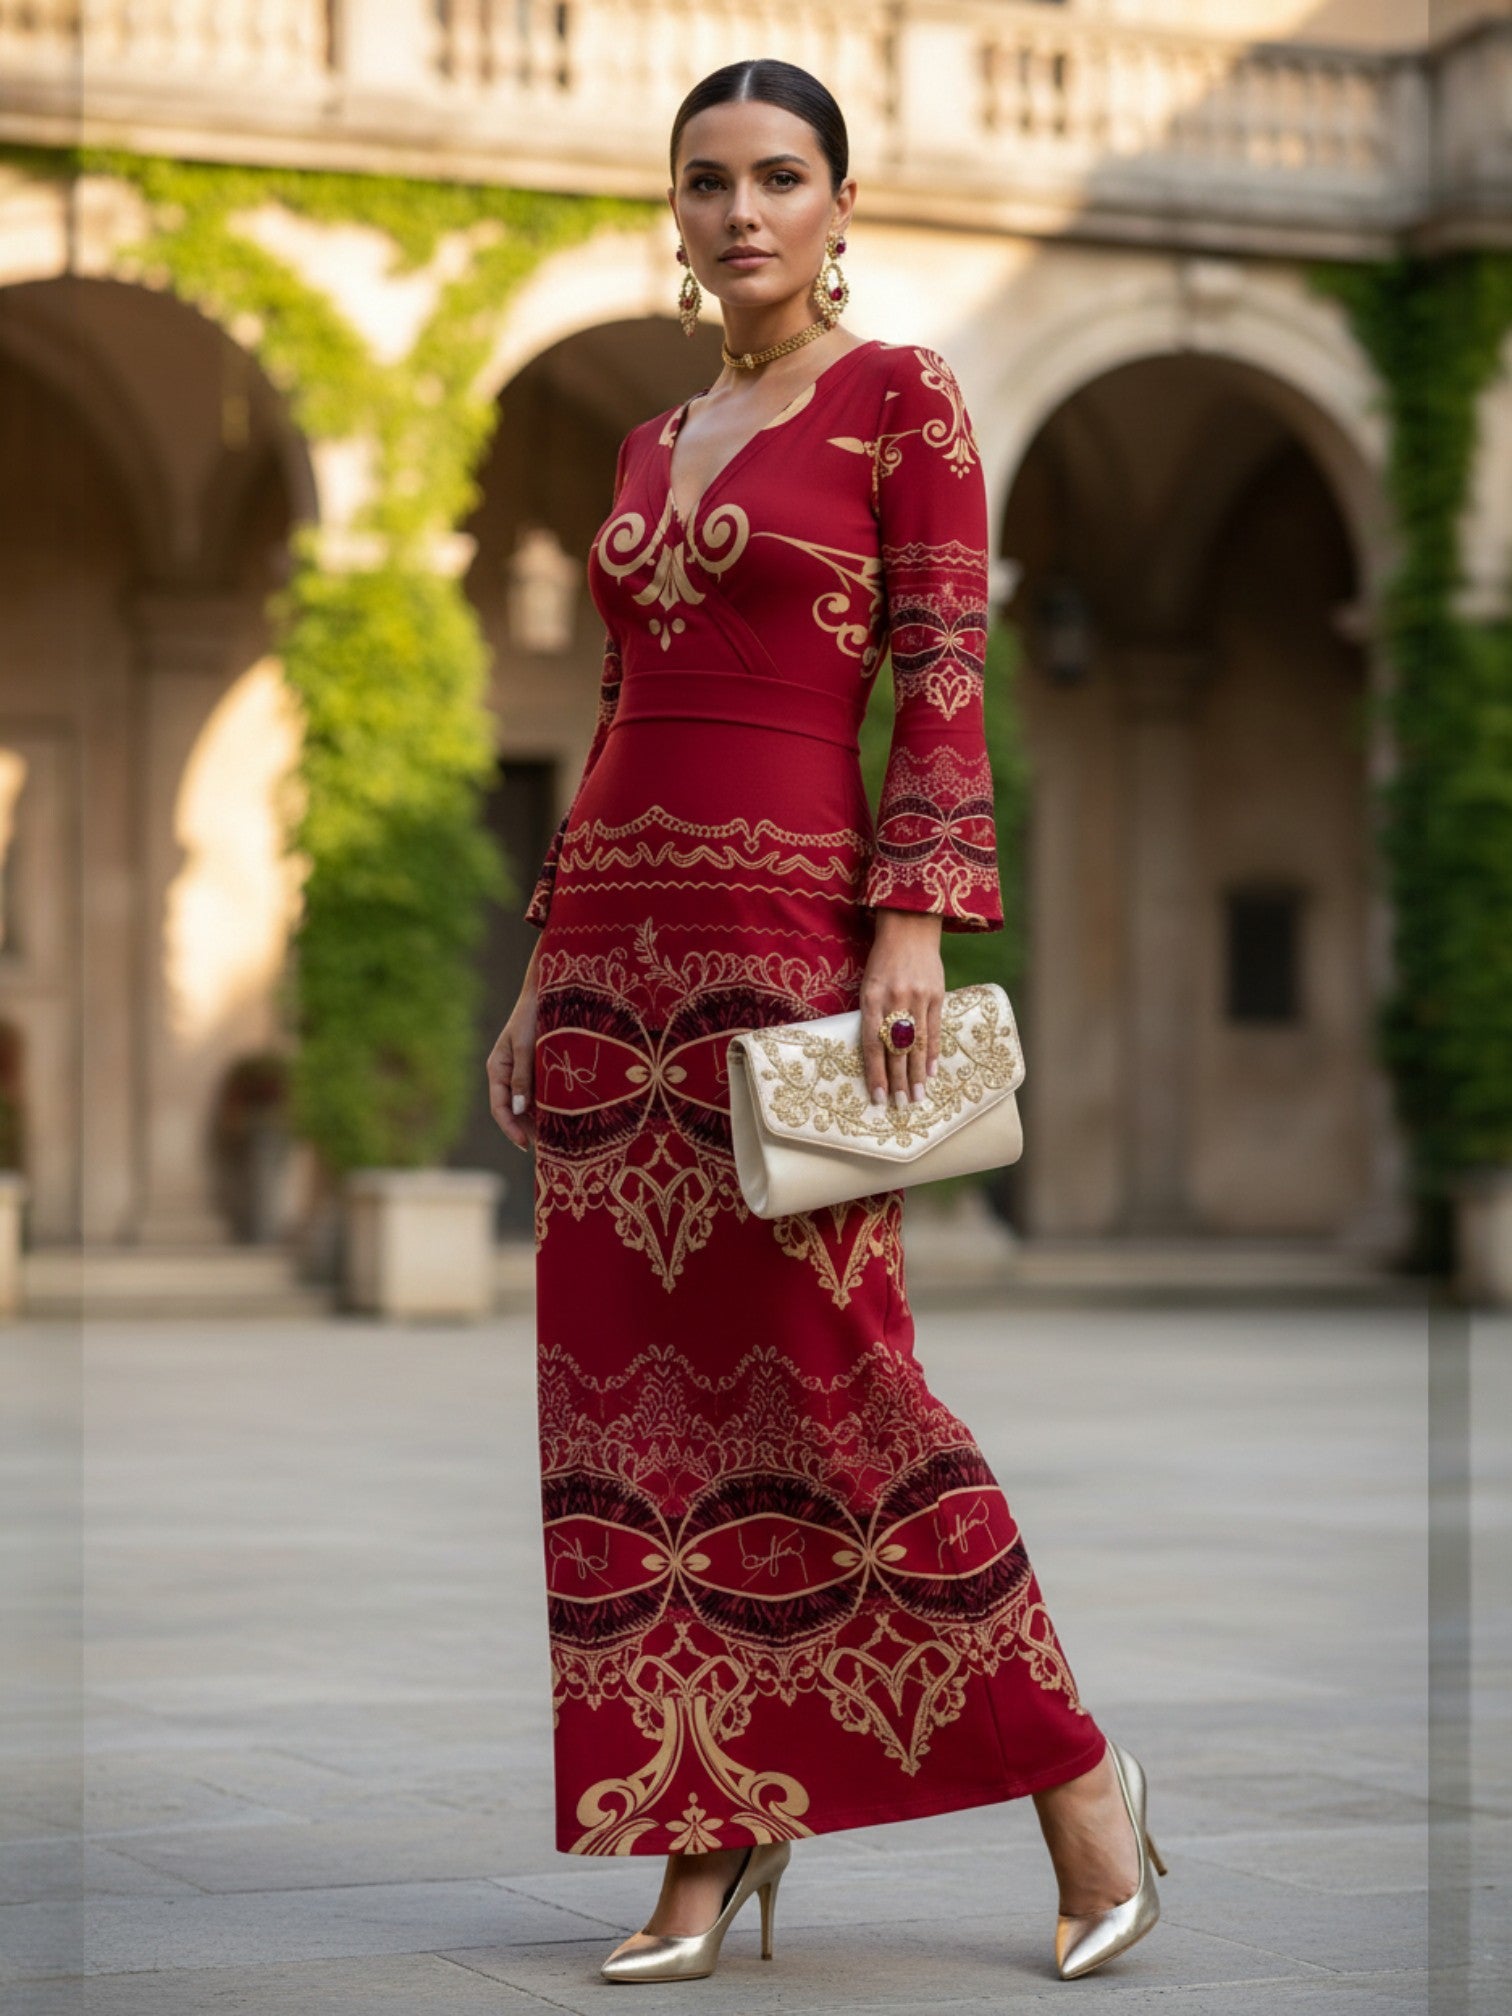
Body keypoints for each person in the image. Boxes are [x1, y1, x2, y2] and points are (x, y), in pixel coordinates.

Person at [487, 56, 1167, 1987]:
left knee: (842, 1373)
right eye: (707, 183)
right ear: (678, 212)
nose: (742, 214)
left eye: (780, 177)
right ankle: (701, 1831)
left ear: (841, 203)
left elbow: (943, 670)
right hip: (617, 965)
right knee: (622, 1413)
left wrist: (911, 928)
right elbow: (612, 726)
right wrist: (546, 964)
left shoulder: (904, 401)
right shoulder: (644, 445)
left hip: (793, 940)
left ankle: (1083, 1783)